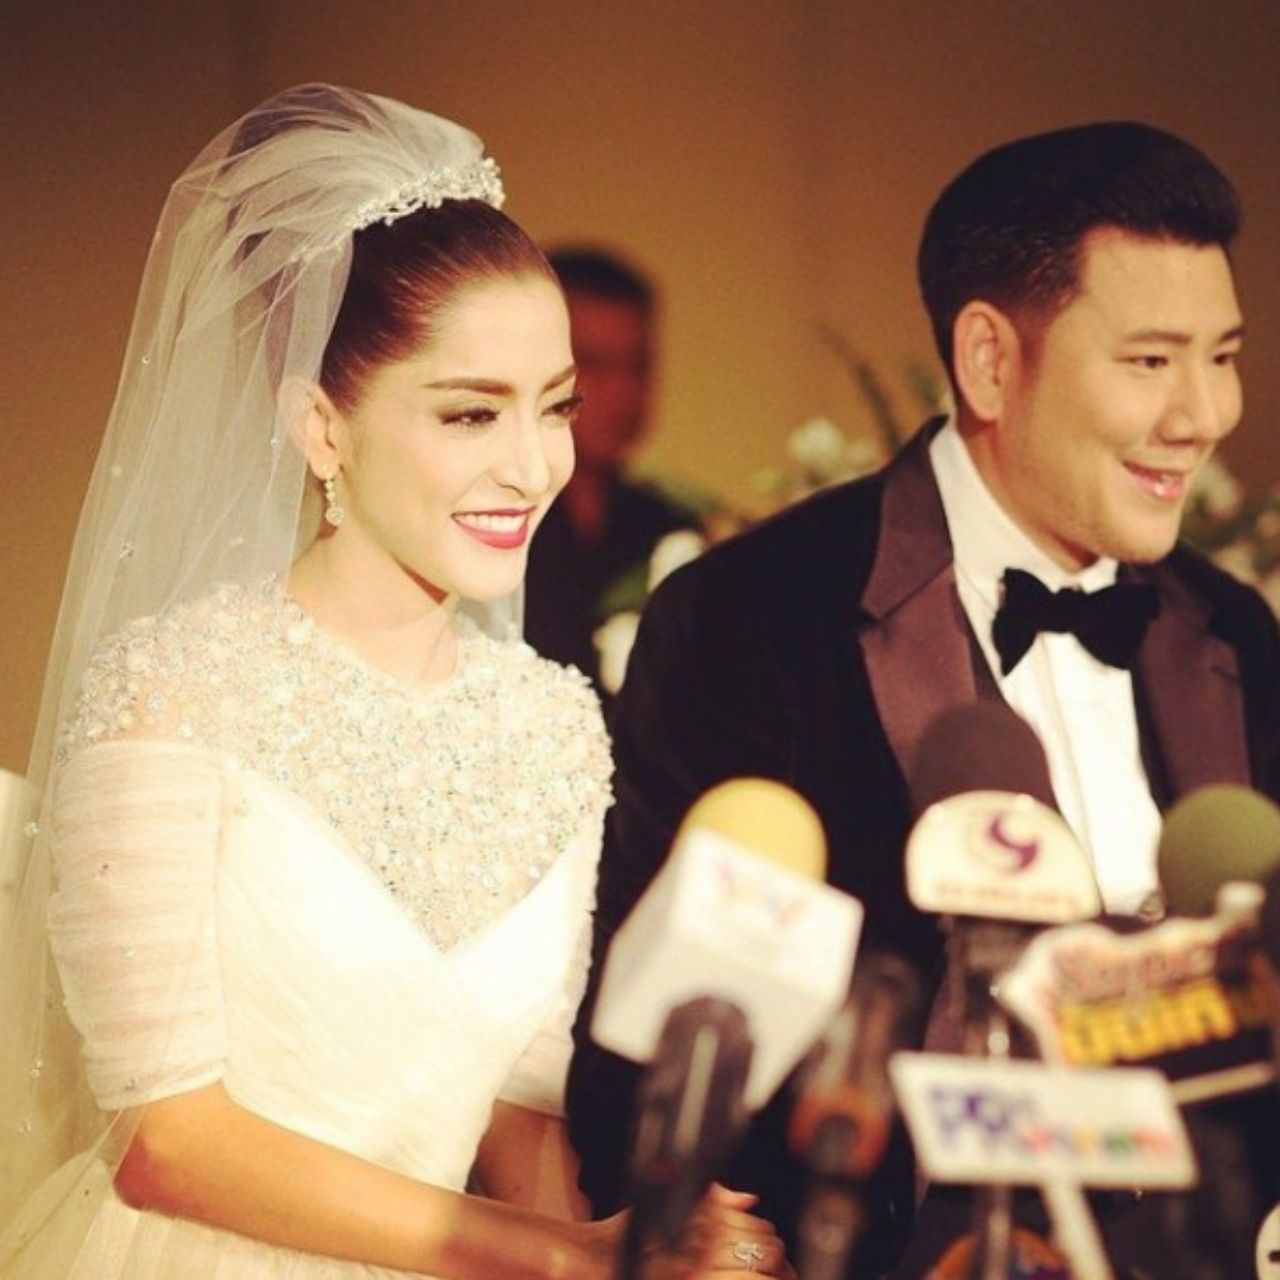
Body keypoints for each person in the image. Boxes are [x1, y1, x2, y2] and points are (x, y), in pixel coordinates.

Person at [0, 85, 788, 1280]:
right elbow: (167, 1140)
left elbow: (521, 1115)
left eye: (555, 407)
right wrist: (566, 1254)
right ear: (322, 427)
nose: (530, 465)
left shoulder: (552, 722)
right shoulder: (167, 692)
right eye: (470, 414)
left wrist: (631, 1248)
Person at [566, 121, 1280, 1277]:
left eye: (1223, 356)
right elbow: (651, 1073)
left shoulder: (1233, 631)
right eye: (1150, 361)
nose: (1203, 413)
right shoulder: (752, 616)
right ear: (988, 359)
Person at [522, 248, 698, 691]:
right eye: (593, 363)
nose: (620, 391)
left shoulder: (671, 528)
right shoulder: (490, 519)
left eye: (636, 365)